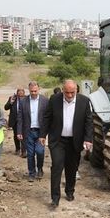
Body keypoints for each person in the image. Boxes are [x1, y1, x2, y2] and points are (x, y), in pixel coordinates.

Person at [40, 79, 93, 208]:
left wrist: (88, 139)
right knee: (57, 167)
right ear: (63, 90)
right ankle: (55, 198)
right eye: (67, 92)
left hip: (75, 141)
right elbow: (47, 117)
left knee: (72, 168)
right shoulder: (54, 99)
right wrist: (42, 134)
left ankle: (69, 191)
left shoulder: (84, 101)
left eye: (72, 92)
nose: (69, 95)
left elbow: (88, 122)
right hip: (58, 140)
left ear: (76, 90)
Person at [16, 81, 49, 182]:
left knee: (40, 151)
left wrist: (47, 131)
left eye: (35, 91)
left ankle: (39, 168)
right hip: (28, 131)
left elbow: (48, 117)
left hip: (40, 132)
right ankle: (31, 172)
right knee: (30, 154)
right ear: (29, 90)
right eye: (32, 91)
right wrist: (19, 131)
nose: (34, 93)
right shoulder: (23, 101)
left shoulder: (45, 101)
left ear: (39, 89)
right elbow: (20, 117)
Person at [4, 87, 26, 157]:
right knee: (16, 135)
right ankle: (17, 149)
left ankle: (24, 151)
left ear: (24, 93)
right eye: (19, 92)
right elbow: (6, 107)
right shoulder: (12, 98)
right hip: (15, 120)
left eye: (22, 92)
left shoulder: (27, 98)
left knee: (24, 135)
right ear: (17, 93)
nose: (20, 93)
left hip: (24, 120)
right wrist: (11, 102)